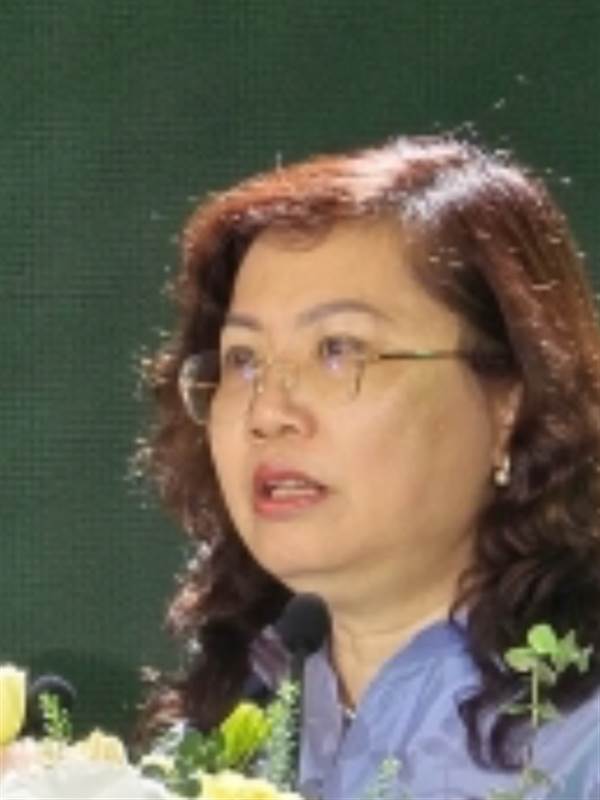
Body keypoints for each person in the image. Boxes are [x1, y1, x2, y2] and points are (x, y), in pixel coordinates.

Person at [137, 135, 600, 799]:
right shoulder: (224, 724)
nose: (268, 412)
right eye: (242, 359)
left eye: (339, 350)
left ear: (510, 402)